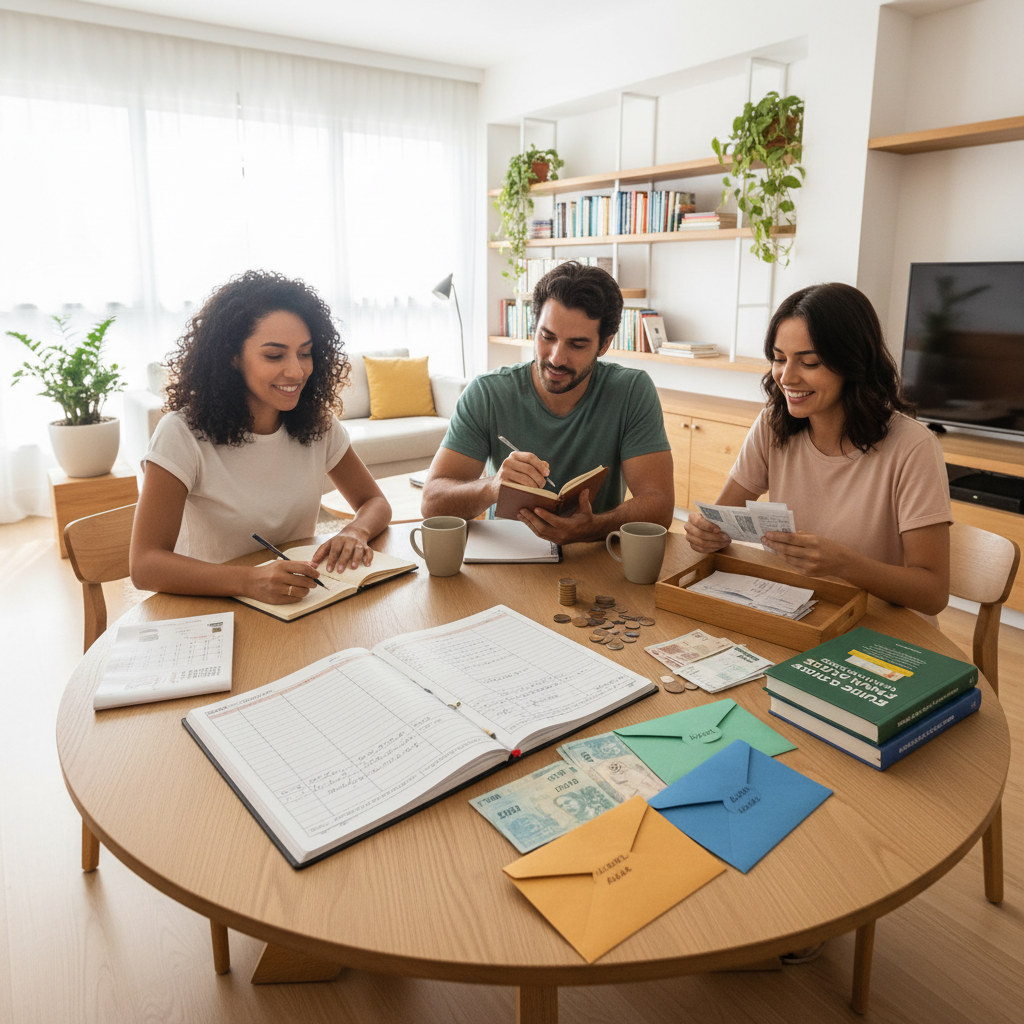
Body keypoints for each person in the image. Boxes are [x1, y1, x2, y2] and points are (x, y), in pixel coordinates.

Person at [684, 282, 951, 617]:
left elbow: (933, 593)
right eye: (779, 359)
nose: (786, 377)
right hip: (797, 610)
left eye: (808, 362)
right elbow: (720, 523)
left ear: (853, 363)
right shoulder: (773, 425)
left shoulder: (913, 447)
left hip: (881, 626)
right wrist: (707, 534)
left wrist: (844, 563)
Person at [130, 270, 391, 605]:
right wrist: (249, 580)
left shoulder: (316, 423)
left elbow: (375, 502)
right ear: (232, 356)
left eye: (305, 352)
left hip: (294, 606)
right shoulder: (182, 434)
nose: (296, 371)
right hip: (210, 610)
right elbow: (144, 565)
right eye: (274, 355)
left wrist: (355, 531)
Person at [421, 261, 674, 544]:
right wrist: (492, 487)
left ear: (604, 344)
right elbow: (432, 503)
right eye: (547, 337)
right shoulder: (487, 393)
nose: (556, 358)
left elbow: (660, 506)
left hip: (595, 559)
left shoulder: (631, 392)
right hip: (507, 560)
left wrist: (594, 527)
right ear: (534, 328)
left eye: (577, 345)